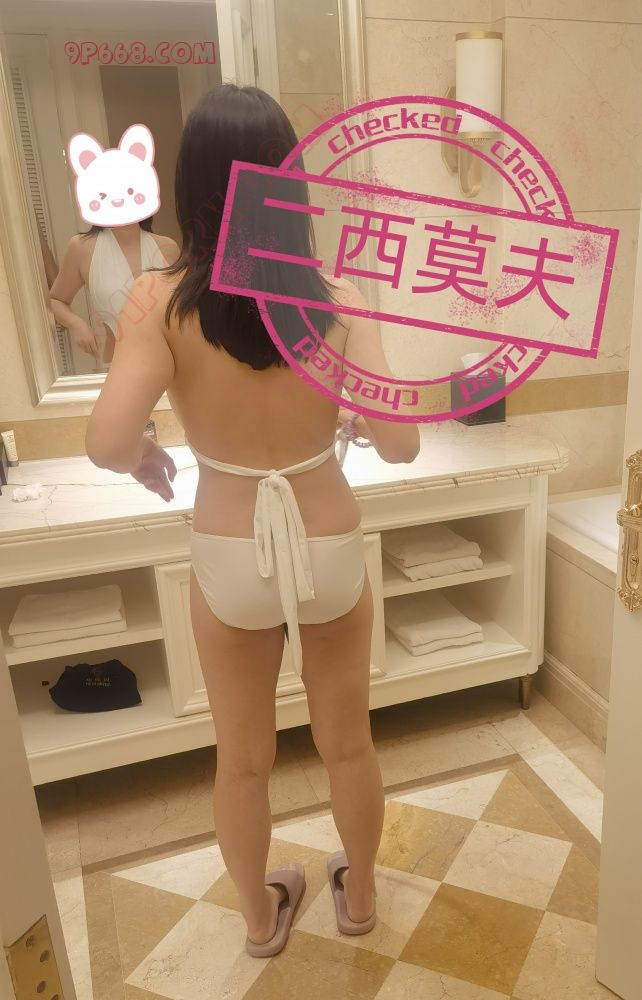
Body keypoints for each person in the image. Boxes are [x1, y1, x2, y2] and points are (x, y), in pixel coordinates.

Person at [85, 84, 420, 958]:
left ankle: (262, 920)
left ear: (190, 183)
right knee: (349, 745)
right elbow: (402, 445)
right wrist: (351, 412)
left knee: (241, 759)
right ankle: (359, 897)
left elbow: (105, 441)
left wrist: (147, 455)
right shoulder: (337, 297)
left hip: (229, 550)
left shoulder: (158, 300)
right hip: (328, 538)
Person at [49, 218, 179, 369]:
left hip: (171, 363)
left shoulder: (168, 247)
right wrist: (75, 324)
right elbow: (54, 300)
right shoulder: (81, 247)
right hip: (118, 363)